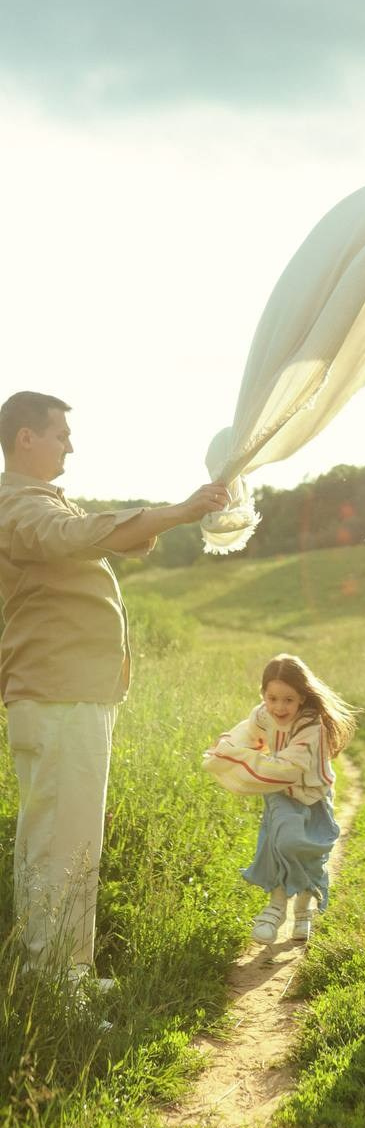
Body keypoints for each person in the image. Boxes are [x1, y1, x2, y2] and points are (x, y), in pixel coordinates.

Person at [0, 390, 230, 984]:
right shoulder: (16, 505)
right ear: (25, 438)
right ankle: (57, 981)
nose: (70, 444)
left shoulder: (42, 503)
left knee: (65, 839)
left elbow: (99, 537)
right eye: (59, 434)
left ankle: (63, 969)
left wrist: (182, 514)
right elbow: (73, 537)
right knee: (60, 844)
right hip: (56, 698)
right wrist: (173, 511)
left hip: (69, 696)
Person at [203, 653, 356, 945]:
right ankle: (275, 910)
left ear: (302, 697)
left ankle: (304, 910)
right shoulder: (263, 714)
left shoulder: (311, 725)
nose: (279, 707)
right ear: (263, 695)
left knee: (307, 848)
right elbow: (245, 734)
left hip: (313, 795)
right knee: (282, 841)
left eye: (288, 700)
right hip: (280, 795)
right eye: (272, 698)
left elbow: (285, 769)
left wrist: (240, 759)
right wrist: (225, 749)